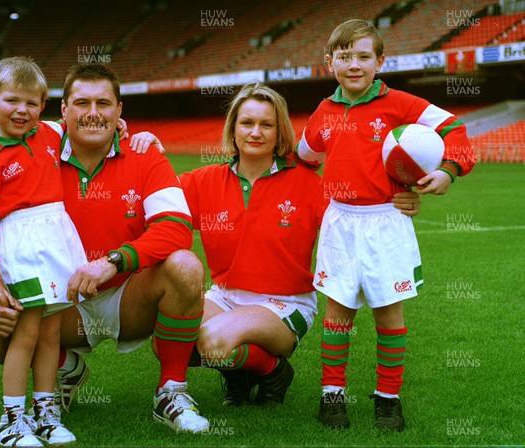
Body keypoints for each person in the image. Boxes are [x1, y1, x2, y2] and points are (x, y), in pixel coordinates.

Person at [0, 63, 210, 434]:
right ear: (63, 111)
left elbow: (176, 228)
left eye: (103, 103)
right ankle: (65, 365)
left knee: (186, 266)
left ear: (119, 111)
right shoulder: (33, 149)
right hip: (59, 301)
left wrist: (112, 263)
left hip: (127, 296)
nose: (93, 113)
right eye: (82, 103)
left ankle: (171, 391)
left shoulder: (146, 154)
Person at [149, 82, 422, 407]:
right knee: (166, 341)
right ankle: (241, 373)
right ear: (232, 128)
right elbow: (152, 198)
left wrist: (398, 200)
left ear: (280, 133)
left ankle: (273, 370)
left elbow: (357, 214)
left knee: (214, 342)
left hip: (284, 304)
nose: (255, 132)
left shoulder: (309, 185)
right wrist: (144, 149)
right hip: (225, 296)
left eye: (267, 125)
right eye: (247, 123)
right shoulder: (204, 180)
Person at [295, 20, 475, 431]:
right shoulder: (324, 112)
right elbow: (304, 158)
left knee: (388, 313)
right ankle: (332, 394)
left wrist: (447, 170)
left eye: (363, 56)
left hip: (387, 220)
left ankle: (388, 399)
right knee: (337, 312)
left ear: (380, 61)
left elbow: (453, 128)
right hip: (340, 222)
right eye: (345, 56)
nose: (354, 64)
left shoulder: (401, 104)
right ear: (330, 63)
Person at [0, 56, 84, 446]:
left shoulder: (48, 134)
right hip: (22, 246)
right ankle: (12, 419)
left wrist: (127, 130)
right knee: (25, 333)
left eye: (31, 102)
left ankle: (46, 412)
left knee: (49, 334)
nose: (21, 110)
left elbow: (79, 128)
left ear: (42, 104)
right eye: (11, 100)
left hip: (56, 240)